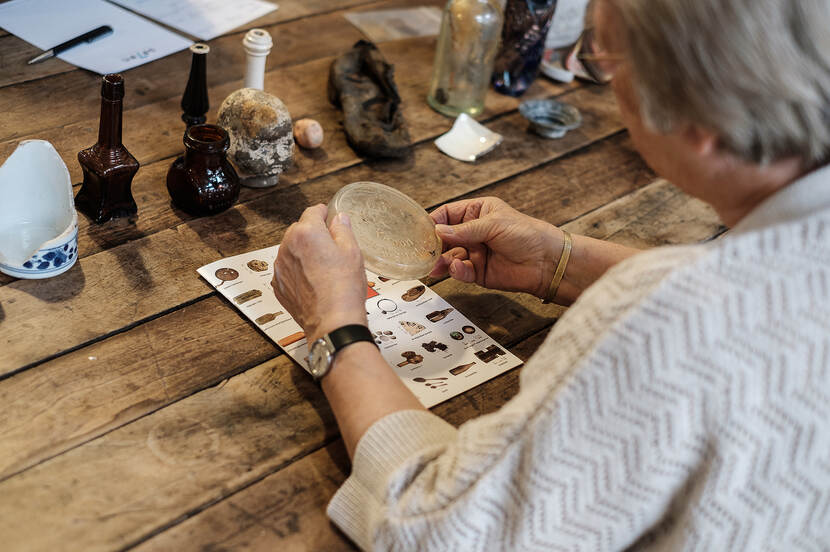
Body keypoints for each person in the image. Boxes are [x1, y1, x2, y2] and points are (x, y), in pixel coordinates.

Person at [271, 0, 830, 549]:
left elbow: (441, 531)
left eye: (610, 58)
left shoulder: (679, 320)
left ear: (703, 110)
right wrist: (558, 263)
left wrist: (335, 325)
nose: (607, 81)